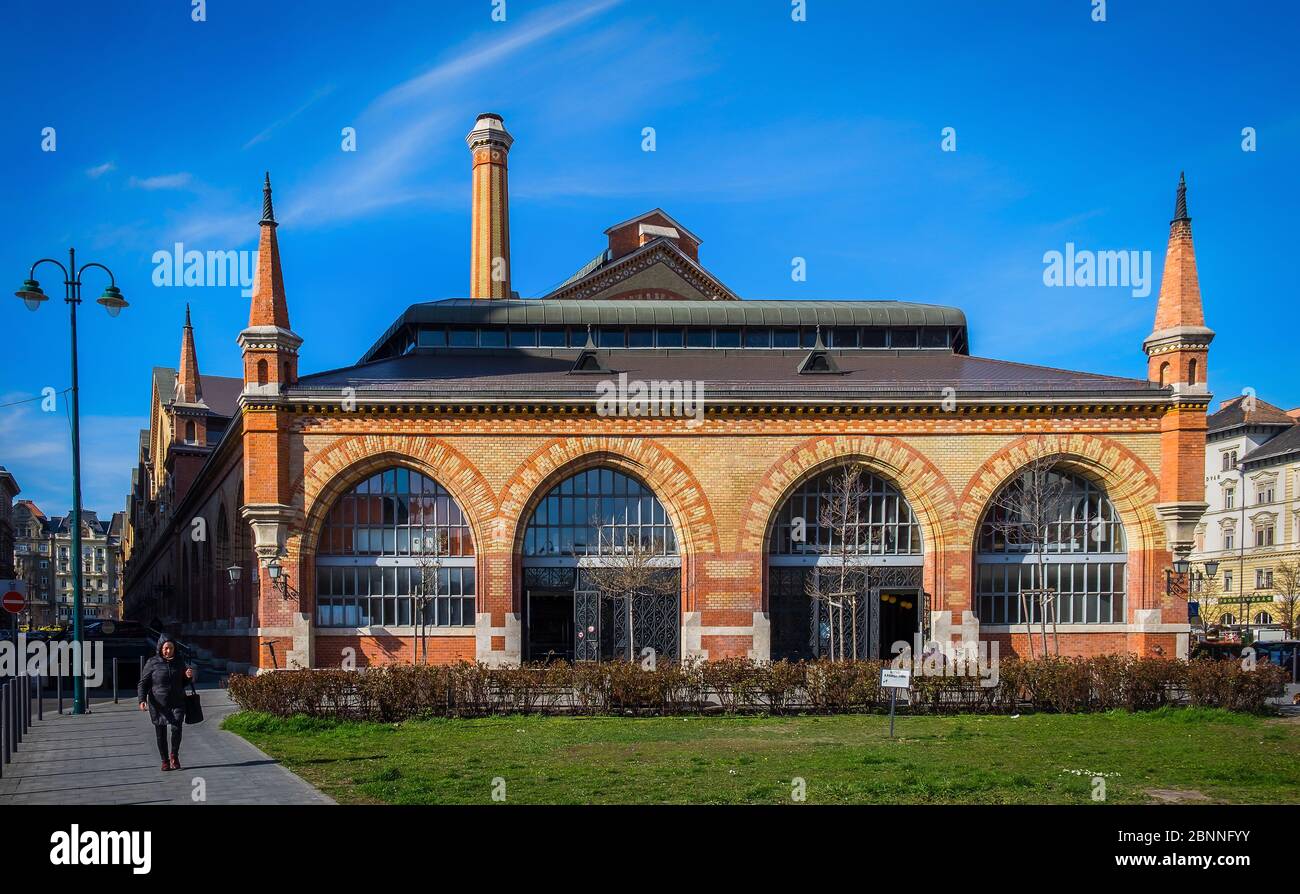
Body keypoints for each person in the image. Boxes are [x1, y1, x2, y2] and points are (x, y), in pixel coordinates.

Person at [137, 634, 193, 771]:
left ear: (175, 648)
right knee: (160, 733)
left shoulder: (179, 662)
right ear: (161, 648)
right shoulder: (152, 662)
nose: (168, 651)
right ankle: (165, 760)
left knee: (176, 729)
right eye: (166, 648)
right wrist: (142, 699)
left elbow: (183, 683)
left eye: (171, 648)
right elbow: (143, 683)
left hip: (177, 701)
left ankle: (174, 755)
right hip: (158, 704)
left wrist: (188, 677)